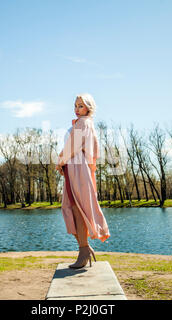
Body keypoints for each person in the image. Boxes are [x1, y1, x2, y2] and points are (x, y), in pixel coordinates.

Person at [55, 93, 110, 269]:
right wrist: (63, 162)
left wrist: (60, 162)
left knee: (78, 208)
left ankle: (83, 251)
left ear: (88, 108)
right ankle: (84, 248)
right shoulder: (81, 124)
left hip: (78, 169)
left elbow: (74, 148)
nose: (77, 109)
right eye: (75, 105)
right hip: (74, 169)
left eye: (81, 106)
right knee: (73, 208)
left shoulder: (84, 123)